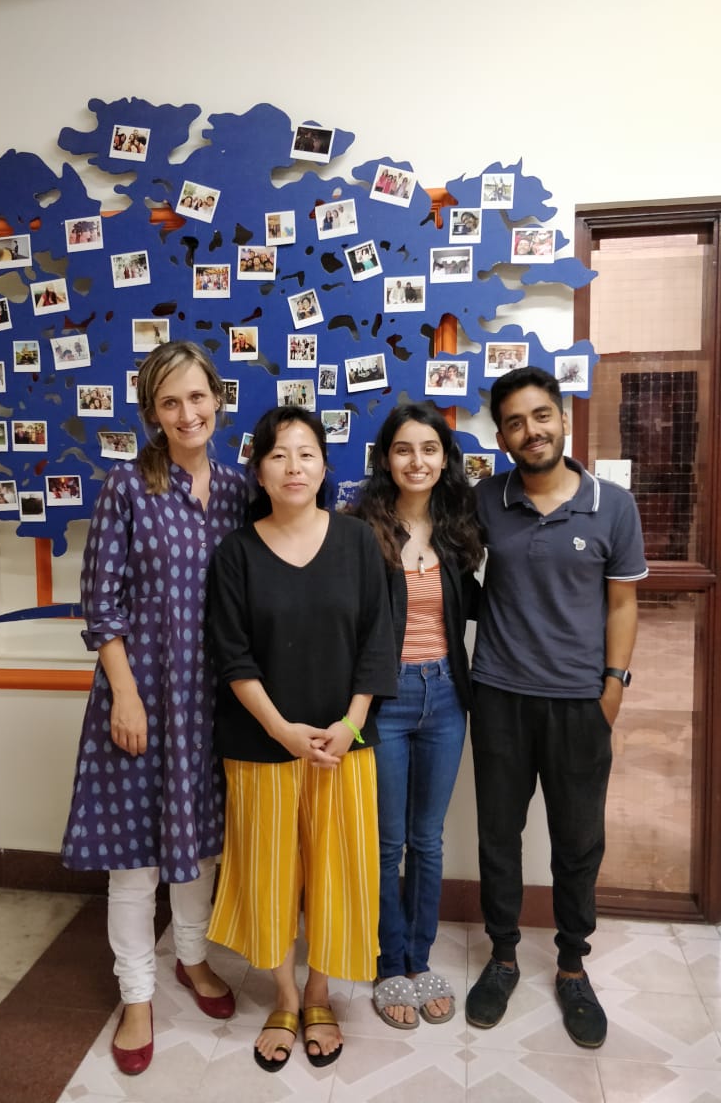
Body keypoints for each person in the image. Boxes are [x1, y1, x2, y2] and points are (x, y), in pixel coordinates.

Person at [61, 341, 247, 1077]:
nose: (187, 413)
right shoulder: (127, 487)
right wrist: (127, 695)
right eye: (170, 402)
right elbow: (99, 603)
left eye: (197, 397)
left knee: (199, 846)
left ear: (218, 400)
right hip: (138, 698)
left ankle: (192, 959)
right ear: (152, 414)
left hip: (210, 701)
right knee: (135, 860)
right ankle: (136, 995)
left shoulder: (237, 490)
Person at [206, 406, 397, 1073]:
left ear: (324, 466)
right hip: (262, 745)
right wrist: (282, 730)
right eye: (278, 454)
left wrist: (350, 725)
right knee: (270, 879)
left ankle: (319, 993)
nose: (293, 466)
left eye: (306, 453)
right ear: (259, 471)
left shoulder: (358, 542)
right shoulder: (236, 552)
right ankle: (284, 997)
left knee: (336, 876)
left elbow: (378, 640)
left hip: (344, 747)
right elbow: (232, 656)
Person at [466, 365, 647, 1049]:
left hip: (579, 704)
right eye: (514, 422)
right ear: (502, 438)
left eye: (541, 415)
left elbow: (622, 603)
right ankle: (503, 957)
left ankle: (572, 965)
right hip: (500, 696)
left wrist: (613, 687)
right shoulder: (486, 500)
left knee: (577, 842)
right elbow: (442, 569)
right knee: (498, 836)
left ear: (563, 419)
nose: (530, 430)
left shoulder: (612, 505)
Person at [351, 402, 483, 1029]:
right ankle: (388, 964)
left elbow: (485, 605)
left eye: (430, 449)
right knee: (388, 842)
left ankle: (419, 958)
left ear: (445, 458)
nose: (417, 461)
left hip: (446, 697)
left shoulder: (458, 529)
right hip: (387, 700)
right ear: (386, 458)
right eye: (404, 449)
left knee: (427, 839)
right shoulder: (361, 529)